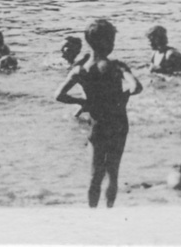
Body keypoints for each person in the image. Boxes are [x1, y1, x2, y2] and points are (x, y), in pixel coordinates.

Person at [55, 18, 144, 208]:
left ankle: (92, 214)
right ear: (108, 42)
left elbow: (59, 95)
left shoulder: (80, 69)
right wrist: (122, 96)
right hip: (119, 122)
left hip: (97, 123)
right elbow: (136, 87)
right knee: (113, 172)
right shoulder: (117, 66)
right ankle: (109, 211)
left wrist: (83, 101)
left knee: (95, 173)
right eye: (111, 41)